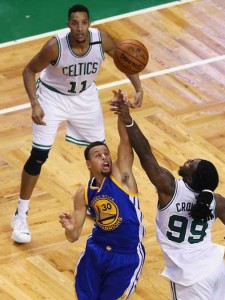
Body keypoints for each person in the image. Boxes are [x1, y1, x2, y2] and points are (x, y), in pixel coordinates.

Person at [11, 4, 144, 243]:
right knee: (38, 156)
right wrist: (34, 103)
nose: (79, 28)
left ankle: (99, 203)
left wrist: (139, 87)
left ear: (89, 23)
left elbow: (124, 59)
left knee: (101, 156)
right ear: (68, 25)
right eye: (74, 23)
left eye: (83, 22)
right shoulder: (56, 46)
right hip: (52, 98)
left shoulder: (101, 39)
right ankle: (21, 213)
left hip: (85, 98)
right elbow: (29, 70)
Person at [111, 97, 225, 300]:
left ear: (191, 176)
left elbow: (145, 154)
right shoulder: (217, 202)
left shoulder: (169, 188)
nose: (188, 161)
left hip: (190, 278)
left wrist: (128, 119)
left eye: (192, 163)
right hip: (215, 268)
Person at [59, 90, 145, 300]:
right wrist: (70, 229)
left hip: (125, 255)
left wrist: (122, 113)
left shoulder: (121, 177)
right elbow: (73, 237)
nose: (105, 158)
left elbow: (125, 143)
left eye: (106, 154)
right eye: (98, 156)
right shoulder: (83, 193)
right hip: (95, 252)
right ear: (89, 164)